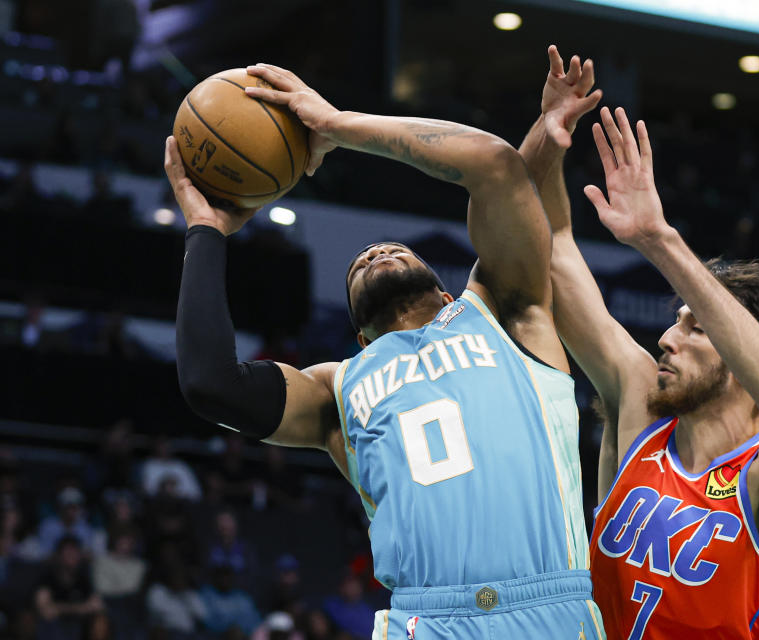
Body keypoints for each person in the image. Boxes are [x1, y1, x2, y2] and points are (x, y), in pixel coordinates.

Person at [167, 61, 603, 638]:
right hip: (424, 621)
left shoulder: (507, 317)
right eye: (357, 265)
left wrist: (339, 126)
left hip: (550, 607)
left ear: (449, 293)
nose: (372, 254)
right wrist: (206, 231)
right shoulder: (336, 388)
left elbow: (497, 168)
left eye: (392, 250)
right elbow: (210, 383)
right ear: (359, 338)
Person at [518, 47, 759, 638]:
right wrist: (549, 140)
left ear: (744, 359)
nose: (665, 339)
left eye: (696, 327)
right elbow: (553, 246)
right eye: (676, 321)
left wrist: (658, 239)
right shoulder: (639, 410)